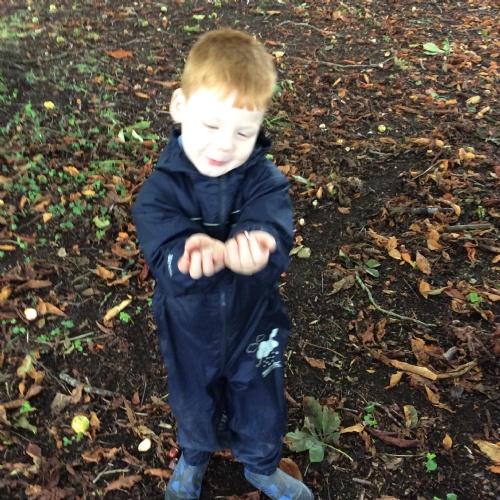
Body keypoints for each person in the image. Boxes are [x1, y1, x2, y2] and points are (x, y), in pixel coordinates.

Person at [132, 28, 313, 500]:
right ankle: (194, 455)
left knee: (262, 401)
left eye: (243, 132)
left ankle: (261, 465)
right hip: (188, 326)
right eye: (211, 125)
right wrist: (185, 256)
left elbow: (274, 227)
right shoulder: (161, 191)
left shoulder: (265, 180)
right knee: (193, 398)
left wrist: (259, 244)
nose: (225, 144)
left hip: (255, 320)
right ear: (179, 106)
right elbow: (162, 248)